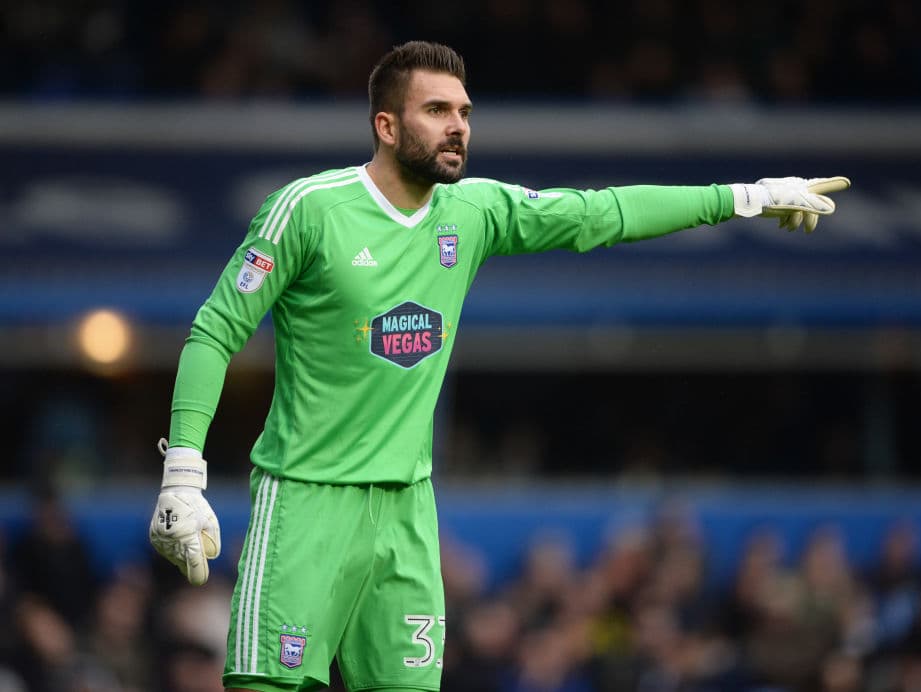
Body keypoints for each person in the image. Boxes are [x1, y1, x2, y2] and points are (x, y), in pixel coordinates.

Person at [148, 40, 850, 692]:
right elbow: (215, 329)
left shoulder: (474, 212)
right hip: (305, 500)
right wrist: (184, 469)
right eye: (436, 111)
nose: (458, 126)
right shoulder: (309, 209)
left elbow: (602, 213)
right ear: (387, 126)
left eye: (464, 112)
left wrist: (748, 196)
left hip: (407, 512)